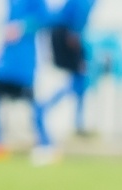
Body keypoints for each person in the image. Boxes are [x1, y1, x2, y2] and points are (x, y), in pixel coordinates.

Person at [0, 0, 55, 165]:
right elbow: (6, 28)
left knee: (31, 100)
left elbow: (46, 18)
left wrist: (22, 27)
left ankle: (46, 144)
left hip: (24, 60)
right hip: (7, 59)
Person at [43, 0, 95, 138]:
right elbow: (78, 18)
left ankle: (78, 122)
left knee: (79, 81)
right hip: (66, 35)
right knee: (79, 79)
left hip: (64, 33)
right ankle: (44, 107)